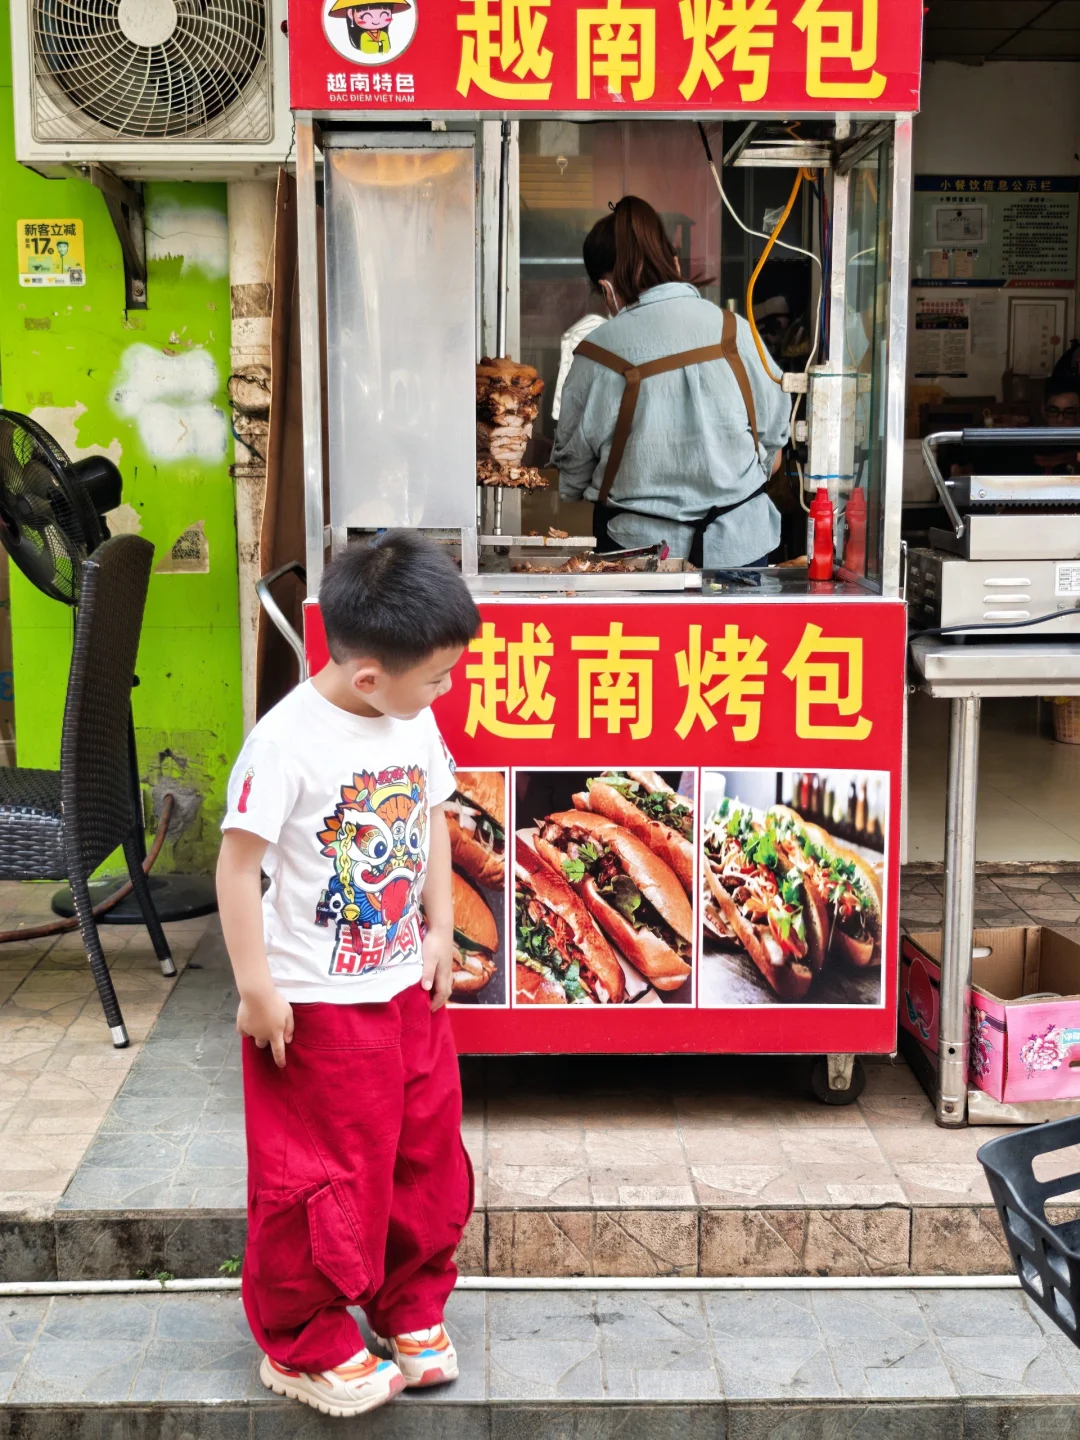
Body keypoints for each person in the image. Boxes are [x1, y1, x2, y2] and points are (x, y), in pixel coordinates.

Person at [216, 531, 479, 1420]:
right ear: (369, 677)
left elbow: (435, 817)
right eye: (437, 677)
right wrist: (256, 988)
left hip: (405, 991)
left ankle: (409, 1305)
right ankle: (302, 1342)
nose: (447, 690)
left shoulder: (411, 716)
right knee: (320, 1175)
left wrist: (440, 926)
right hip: (317, 1010)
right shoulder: (286, 743)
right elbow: (235, 866)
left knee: (421, 1154)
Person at [552, 196, 791, 568]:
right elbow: (775, 448)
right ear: (673, 263)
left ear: (607, 288)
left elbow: (573, 475)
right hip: (743, 548)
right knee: (734, 632)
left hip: (637, 557)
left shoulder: (597, 354)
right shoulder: (737, 332)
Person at [1034, 382, 1080, 475]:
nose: (1060, 419)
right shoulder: (1030, 443)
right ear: (1043, 410)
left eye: (1069, 413)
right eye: (1053, 411)